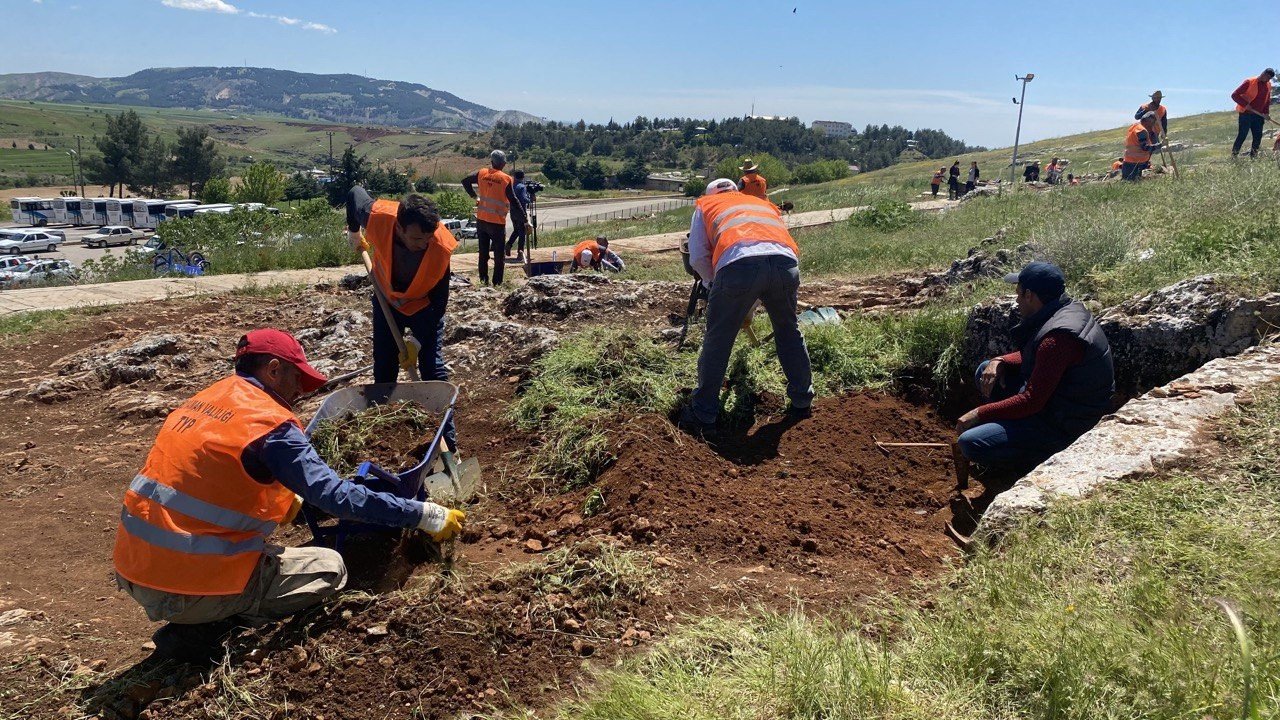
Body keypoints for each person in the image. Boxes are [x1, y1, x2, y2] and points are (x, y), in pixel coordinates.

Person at [113, 329, 466, 647]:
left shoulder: (208, 399)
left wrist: (293, 504)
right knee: (329, 568)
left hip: (136, 568)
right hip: (184, 585)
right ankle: (206, 629)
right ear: (273, 369)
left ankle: (202, 611)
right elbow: (336, 495)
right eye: (297, 377)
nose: (300, 391)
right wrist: (423, 514)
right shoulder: (268, 423)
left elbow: (220, 480)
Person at [679, 179, 813, 436]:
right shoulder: (759, 201)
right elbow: (771, 246)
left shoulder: (706, 205)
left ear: (709, 194)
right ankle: (802, 399)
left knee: (718, 339)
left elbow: (696, 256)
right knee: (788, 330)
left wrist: (712, 283)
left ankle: (704, 412)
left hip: (738, 266)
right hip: (786, 265)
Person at [956, 262, 1114, 474]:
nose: (1017, 300)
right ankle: (1007, 432)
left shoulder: (1058, 338)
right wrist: (1000, 361)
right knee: (986, 370)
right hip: (1061, 401)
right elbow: (1041, 357)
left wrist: (979, 413)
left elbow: (1032, 401)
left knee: (970, 443)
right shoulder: (1065, 310)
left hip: (1067, 423)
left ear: (1030, 295)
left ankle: (1033, 462)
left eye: (1019, 294)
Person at [345, 186, 459, 450]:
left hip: (424, 309)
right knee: (384, 370)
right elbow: (354, 194)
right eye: (417, 239)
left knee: (433, 371)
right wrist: (354, 231)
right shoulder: (379, 217)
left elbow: (440, 302)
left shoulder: (440, 247)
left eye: (428, 238)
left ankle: (448, 446)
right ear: (399, 227)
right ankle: (383, 439)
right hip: (387, 302)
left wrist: (417, 342)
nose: (424, 245)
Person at [461, 150, 527, 286]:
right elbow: (513, 200)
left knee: (483, 254)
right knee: (498, 256)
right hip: (496, 223)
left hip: (482, 221)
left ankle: (483, 281)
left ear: (492, 162)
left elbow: (465, 181)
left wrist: (474, 196)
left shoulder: (482, 173)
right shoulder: (505, 179)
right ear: (503, 164)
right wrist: (525, 218)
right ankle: (497, 283)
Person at [1231, 68, 1275, 158]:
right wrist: (1245, 104)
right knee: (1242, 135)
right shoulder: (1249, 82)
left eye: (1267, 77)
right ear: (1262, 72)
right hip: (1246, 114)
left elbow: (1267, 101)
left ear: (1269, 79)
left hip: (1259, 116)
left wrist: (1266, 113)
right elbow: (1234, 95)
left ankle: (1253, 157)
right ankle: (1234, 156)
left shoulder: (1268, 85)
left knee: (1257, 137)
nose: (1264, 77)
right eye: (1264, 74)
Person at [1121, 111, 1164, 181]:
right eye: (1153, 122)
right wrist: (1161, 145)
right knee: (1132, 184)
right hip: (1134, 163)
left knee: (1128, 183)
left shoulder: (1136, 127)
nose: (1153, 125)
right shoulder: (1141, 131)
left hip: (1130, 161)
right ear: (1148, 120)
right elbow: (1145, 147)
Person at [504, 170, 532, 262]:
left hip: (513, 212)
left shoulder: (511, 186)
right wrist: (530, 199)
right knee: (522, 233)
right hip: (521, 212)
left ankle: (508, 245)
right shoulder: (521, 187)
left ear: (514, 176)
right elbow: (524, 199)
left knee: (516, 230)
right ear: (523, 177)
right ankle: (520, 253)